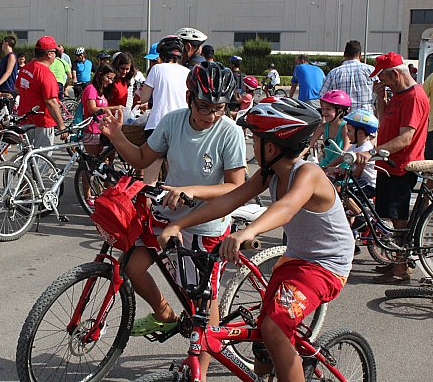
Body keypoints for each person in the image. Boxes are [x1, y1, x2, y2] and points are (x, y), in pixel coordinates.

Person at [160, 97, 353, 382]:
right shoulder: (269, 174)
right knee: (264, 337)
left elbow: (286, 208)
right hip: (296, 259)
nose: (252, 145)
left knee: (275, 328)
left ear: (271, 147)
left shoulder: (308, 173)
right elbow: (228, 201)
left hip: (327, 266)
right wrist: (178, 225)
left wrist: (247, 232)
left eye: (255, 139)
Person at [99, 61, 245, 379]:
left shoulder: (229, 132)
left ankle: (201, 374)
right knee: (131, 268)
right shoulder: (173, 120)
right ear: (189, 97)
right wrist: (115, 136)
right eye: (204, 106)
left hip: (205, 225)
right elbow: (141, 158)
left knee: (204, 305)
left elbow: (236, 185)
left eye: (219, 108)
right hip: (166, 216)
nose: (211, 115)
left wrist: (189, 190)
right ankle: (165, 314)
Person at [357, 52, 429, 284]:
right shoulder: (399, 95)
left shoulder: (413, 97)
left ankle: (400, 269)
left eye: (384, 78)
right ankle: (397, 263)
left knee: (400, 219)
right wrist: (381, 98)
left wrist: (372, 152)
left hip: (400, 165)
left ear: (396, 74)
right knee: (393, 216)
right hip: (389, 164)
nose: (382, 82)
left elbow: (406, 138)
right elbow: (386, 119)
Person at [138, 36, 191, 186]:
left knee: (151, 174)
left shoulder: (156, 69)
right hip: (181, 126)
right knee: (176, 173)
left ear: (161, 54)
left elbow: (144, 98)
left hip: (157, 125)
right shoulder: (187, 72)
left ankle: (148, 207)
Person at [15, 36, 67, 148]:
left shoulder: (26, 68)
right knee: (41, 161)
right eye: (55, 52)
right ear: (49, 54)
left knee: (28, 159)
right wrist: (62, 126)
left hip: (25, 120)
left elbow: (18, 88)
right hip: (42, 122)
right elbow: (51, 102)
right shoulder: (46, 75)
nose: (55, 55)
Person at [81, 64, 122, 206]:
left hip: (101, 131)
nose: (110, 82)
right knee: (90, 165)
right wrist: (112, 108)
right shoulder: (90, 89)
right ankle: (87, 195)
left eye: (112, 79)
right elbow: (92, 109)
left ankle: (97, 192)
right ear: (100, 75)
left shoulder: (101, 91)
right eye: (108, 78)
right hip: (91, 131)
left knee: (101, 164)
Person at [318, 40, 375, 112]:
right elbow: (381, 95)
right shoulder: (371, 70)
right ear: (360, 55)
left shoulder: (334, 73)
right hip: (366, 118)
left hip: (343, 118)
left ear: (344, 54)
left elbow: (323, 97)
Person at [309, 90, 351, 168]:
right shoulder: (323, 127)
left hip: (340, 167)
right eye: (323, 109)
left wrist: (327, 168)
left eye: (328, 109)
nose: (323, 113)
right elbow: (309, 145)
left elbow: (345, 152)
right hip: (326, 165)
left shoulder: (345, 126)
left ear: (340, 111)